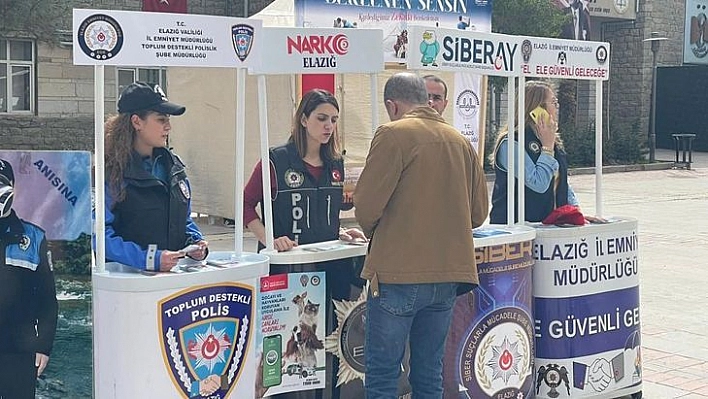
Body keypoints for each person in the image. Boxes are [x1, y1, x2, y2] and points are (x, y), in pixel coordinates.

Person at [354, 73, 488, 398]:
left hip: (397, 275)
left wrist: (379, 231)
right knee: (429, 374)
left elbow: (366, 206)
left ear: (392, 105)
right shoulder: (459, 140)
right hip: (447, 277)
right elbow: (478, 213)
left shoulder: (391, 133)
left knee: (384, 374)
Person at [245, 89, 366, 399]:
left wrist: (343, 235)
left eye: (334, 120)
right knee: (290, 346)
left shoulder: (337, 163)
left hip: (332, 267)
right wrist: (269, 239)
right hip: (289, 271)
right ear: (303, 119)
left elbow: (335, 212)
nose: (328, 126)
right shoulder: (275, 160)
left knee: (329, 340)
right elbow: (246, 204)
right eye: (322, 118)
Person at [103, 82, 208, 271]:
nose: (168, 127)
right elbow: (99, 235)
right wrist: (148, 259)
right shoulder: (110, 172)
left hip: (174, 284)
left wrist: (195, 242)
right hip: (129, 285)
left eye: (168, 119)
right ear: (137, 122)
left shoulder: (174, 166)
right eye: (161, 119)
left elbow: (184, 219)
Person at [0, 159, 58, 399]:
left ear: (12, 187)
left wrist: (43, 346)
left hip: (19, 349)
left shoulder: (33, 238)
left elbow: (48, 299)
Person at [489, 80, 583, 224]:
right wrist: (547, 148)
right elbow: (538, 184)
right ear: (537, 109)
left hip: (548, 224)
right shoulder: (511, 142)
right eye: (553, 102)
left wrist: (574, 210)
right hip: (516, 226)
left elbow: (560, 180)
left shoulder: (550, 139)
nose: (557, 108)